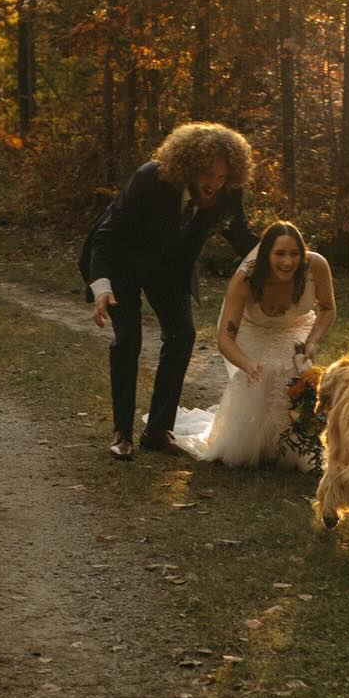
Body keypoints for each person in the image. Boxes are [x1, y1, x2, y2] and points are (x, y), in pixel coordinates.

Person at [80, 122, 257, 459]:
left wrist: (282, 256)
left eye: (222, 177)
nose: (214, 184)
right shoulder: (151, 178)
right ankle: (122, 433)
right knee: (128, 339)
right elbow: (107, 234)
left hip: (171, 269)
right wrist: (102, 287)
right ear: (189, 166)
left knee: (182, 335)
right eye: (208, 174)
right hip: (123, 264)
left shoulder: (227, 191)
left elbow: (240, 236)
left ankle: (158, 430)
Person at [173, 220, 336, 469]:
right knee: (264, 370)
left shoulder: (316, 266)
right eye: (279, 254)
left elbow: (328, 308)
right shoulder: (246, 279)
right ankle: (252, 444)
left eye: (294, 254)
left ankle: (292, 447)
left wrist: (312, 341)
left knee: (293, 371)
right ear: (265, 254)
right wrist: (247, 365)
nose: (288, 262)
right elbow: (225, 339)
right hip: (253, 329)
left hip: (295, 327)